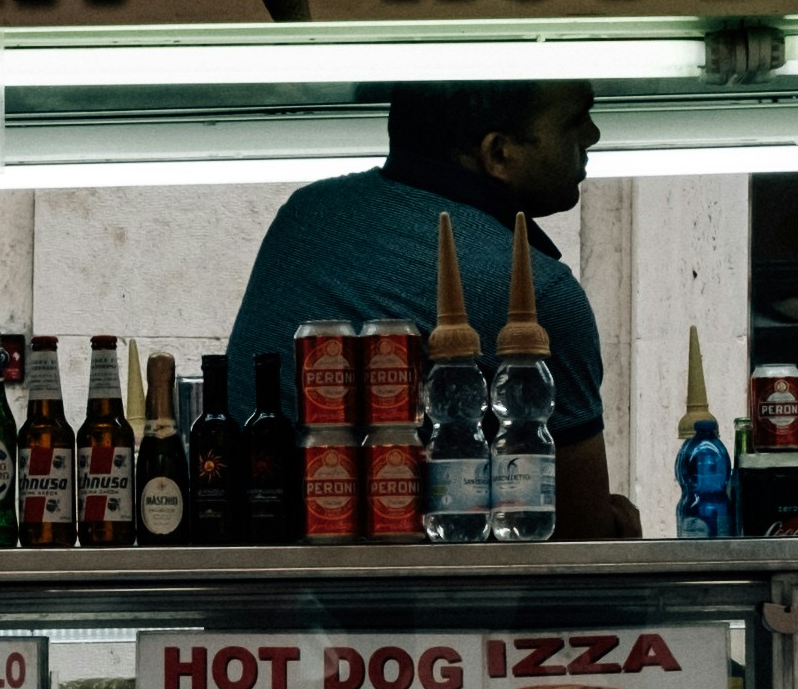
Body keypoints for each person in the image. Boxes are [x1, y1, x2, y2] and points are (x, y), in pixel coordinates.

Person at [226, 82, 640, 537]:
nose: (593, 134)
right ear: (498, 154)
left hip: (254, 584)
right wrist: (616, 523)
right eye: (574, 120)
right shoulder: (539, 296)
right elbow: (581, 540)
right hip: (426, 600)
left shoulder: (304, 215)